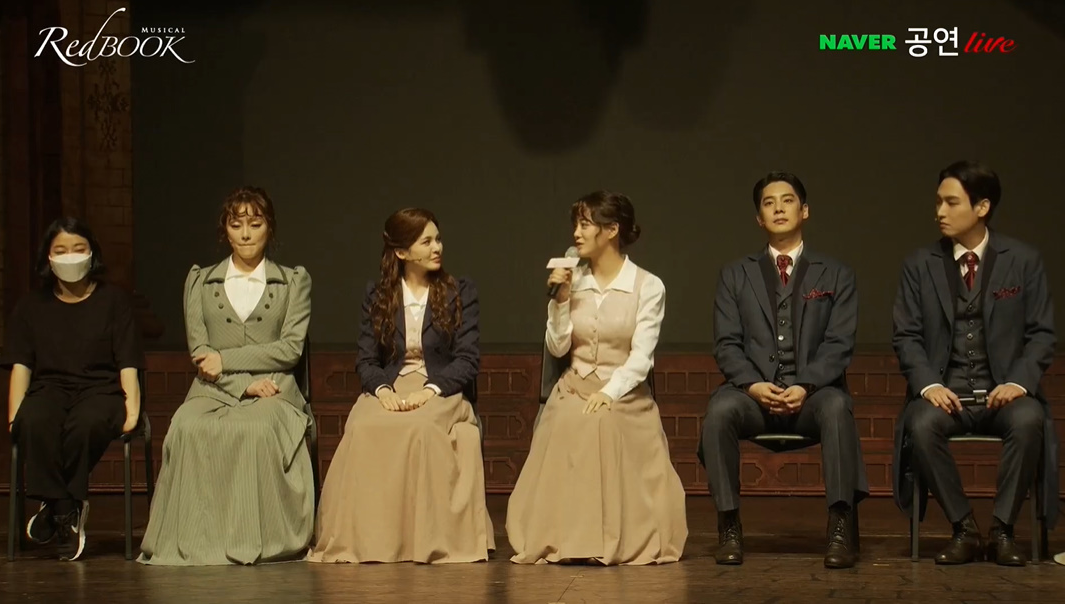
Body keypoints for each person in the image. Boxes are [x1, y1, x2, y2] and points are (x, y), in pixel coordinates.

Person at [506, 191, 687, 565]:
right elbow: (558, 348)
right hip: (575, 386)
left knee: (602, 422)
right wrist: (559, 300)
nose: (576, 233)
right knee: (572, 419)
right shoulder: (574, 281)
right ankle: (565, 537)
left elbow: (641, 357)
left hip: (623, 393)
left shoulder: (647, 286)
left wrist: (610, 392)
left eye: (585, 224)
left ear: (612, 230)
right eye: (576, 224)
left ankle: (609, 538)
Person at [892, 160, 1057, 566]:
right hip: (947, 391)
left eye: (951, 203)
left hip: (1003, 391)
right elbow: (906, 336)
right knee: (921, 423)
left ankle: (1002, 530)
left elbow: (1041, 334)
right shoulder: (920, 264)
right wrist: (930, 385)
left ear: (982, 207)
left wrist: (1018, 383)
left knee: (1028, 419)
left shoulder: (1023, 260)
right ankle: (963, 528)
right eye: (938, 202)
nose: (940, 212)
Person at [698, 172, 866, 569]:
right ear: (759, 218)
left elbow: (839, 343)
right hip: (754, 397)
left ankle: (840, 526)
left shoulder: (836, 273)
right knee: (720, 411)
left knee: (837, 408)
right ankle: (728, 525)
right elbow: (727, 344)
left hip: (813, 396)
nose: (778, 208)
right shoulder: (735, 274)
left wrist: (806, 384)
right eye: (768, 203)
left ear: (804, 211)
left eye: (787, 200)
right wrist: (753, 386)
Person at [140, 186, 314, 565]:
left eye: (255, 224)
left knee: (256, 429)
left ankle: (257, 538)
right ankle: (197, 538)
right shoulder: (201, 281)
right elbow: (201, 354)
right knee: (187, 426)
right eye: (237, 225)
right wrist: (242, 383)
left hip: (275, 387)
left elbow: (289, 349)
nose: (246, 234)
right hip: (213, 389)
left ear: (270, 227)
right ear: (225, 230)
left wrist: (226, 358)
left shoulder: (292, 282)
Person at [308, 208, 493, 563]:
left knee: (422, 426)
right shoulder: (379, 295)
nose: (437, 247)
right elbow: (366, 360)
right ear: (402, 252)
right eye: (426, 241)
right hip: (392, 384)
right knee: (364, 426)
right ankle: (372, 538)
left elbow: (467, 360)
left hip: (440, 387)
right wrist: (383, 391)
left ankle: (419, 539)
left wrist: (430, 390)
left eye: (438, 239)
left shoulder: (460, 292)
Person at [0, 217, 144, 561]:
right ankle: (67, 508)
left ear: (92, 253)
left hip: (101, 390)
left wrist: (133, 412)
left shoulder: (114, 301)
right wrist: (14, 415)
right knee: (34, 420)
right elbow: (21, 365)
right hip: (49, 389)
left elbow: (128, 361)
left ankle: (54, 508)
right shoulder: (31, 306)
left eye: (78, 249)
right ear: (48, 257)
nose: (70, 257)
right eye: (61, 250)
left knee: (86, 423)